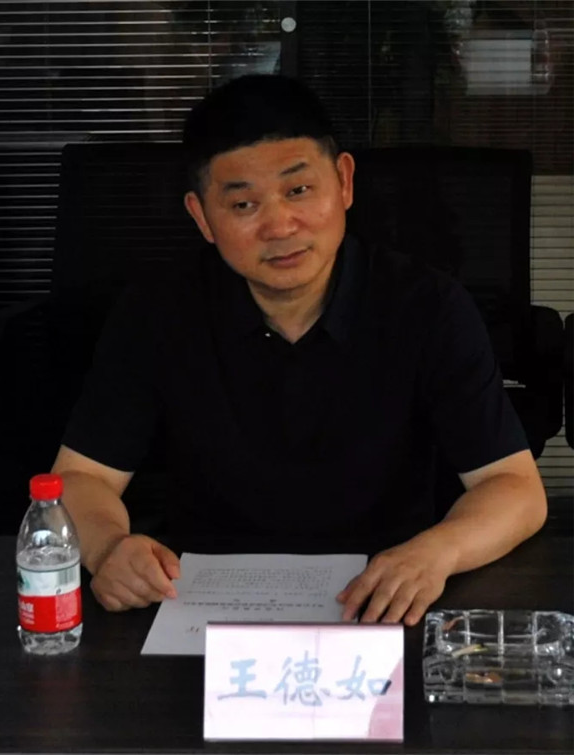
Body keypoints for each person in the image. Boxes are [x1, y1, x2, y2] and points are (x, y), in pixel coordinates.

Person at [52, 74, 546, 626]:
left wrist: (438, 552)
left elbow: (514, 489)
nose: (280, 225)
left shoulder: (427, 307)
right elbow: (80, 478)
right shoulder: (156, 313)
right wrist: (106, 548)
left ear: (345, 182)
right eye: (243, 204)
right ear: (202, 217)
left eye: (299, 190)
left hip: (385, 596)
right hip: (200, 603)